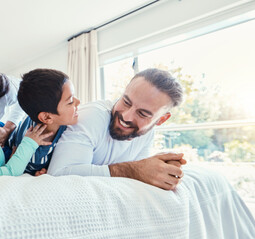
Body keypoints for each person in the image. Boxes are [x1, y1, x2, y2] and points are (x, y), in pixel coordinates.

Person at [48, 68, 187, 190]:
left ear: (161, 120)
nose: (126, 117)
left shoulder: (147, 134)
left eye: (142, 114)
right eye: (126, 102)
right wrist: (134, 170)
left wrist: (164, 169)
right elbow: (58, 173)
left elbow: (141, 171)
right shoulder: (92, 116)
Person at [7, 68, 80, 176]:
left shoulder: (50, 118)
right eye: (70, 102)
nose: (78, 102)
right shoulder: (37, 155)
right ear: (46, 117)